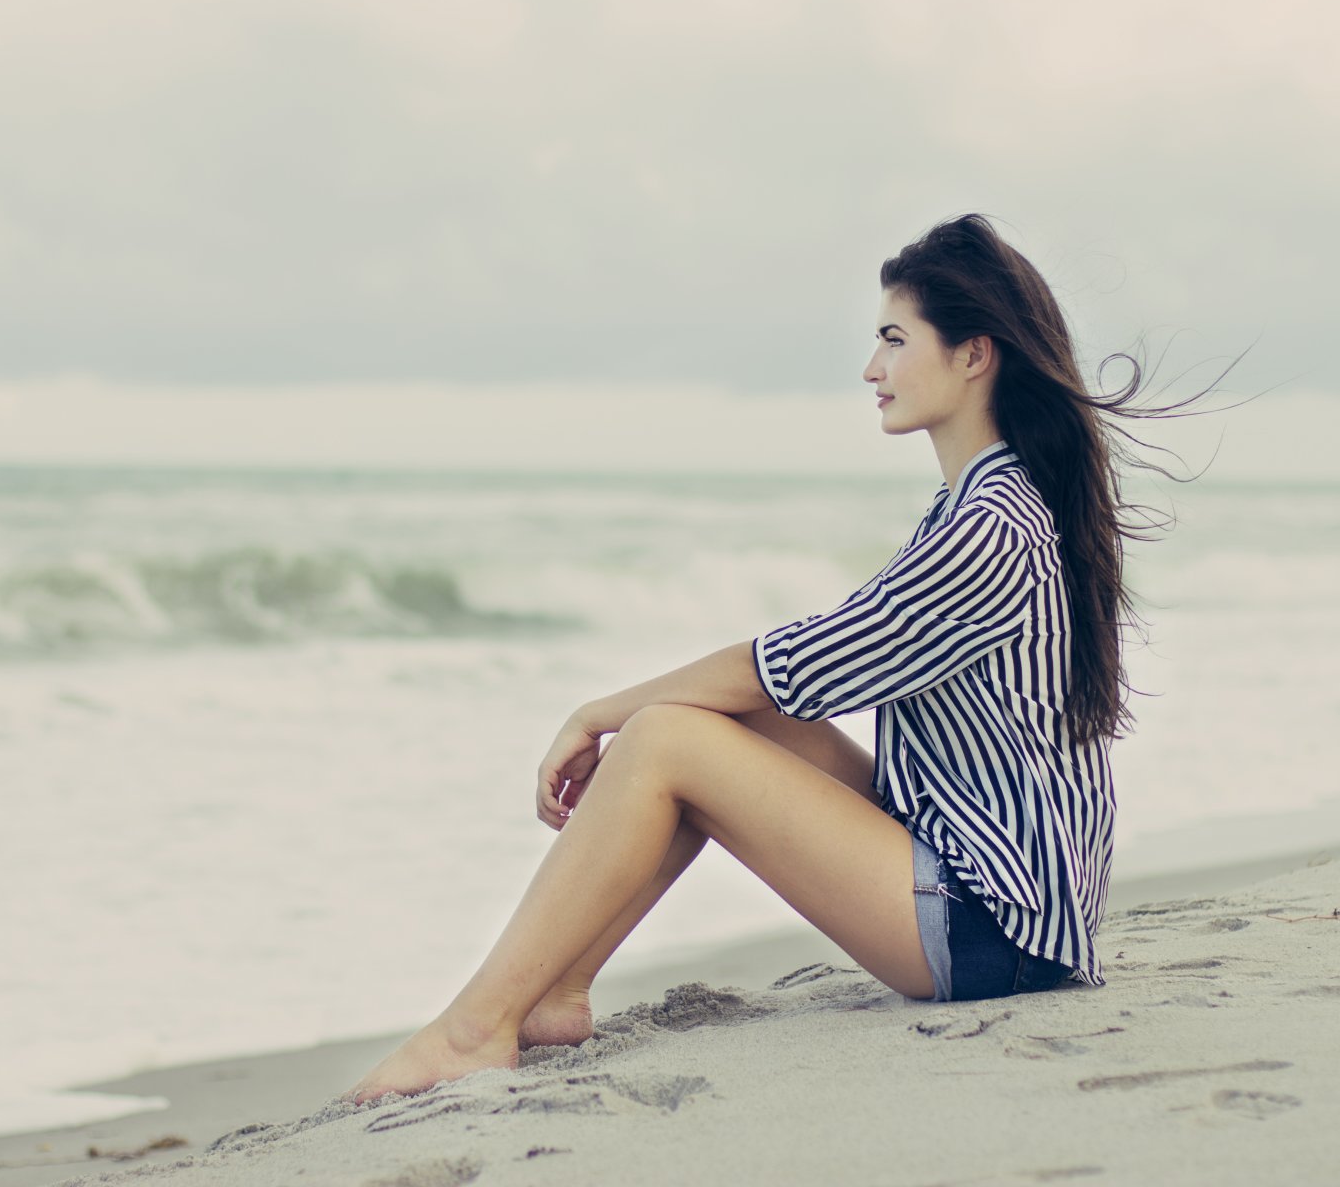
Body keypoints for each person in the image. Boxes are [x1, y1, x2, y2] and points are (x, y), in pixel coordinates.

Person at [343, 212, 1243, 1105]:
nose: (872, 369)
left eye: (894, 340)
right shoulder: (995, 499)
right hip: (997, 889)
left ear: (975, 355)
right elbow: (789, 682)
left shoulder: (991, 527)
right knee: (717, 723)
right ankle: (554, 994)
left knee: (666, 741)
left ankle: (473, 1032)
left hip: (994, 933)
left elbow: (798, 664)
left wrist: (598, 712)